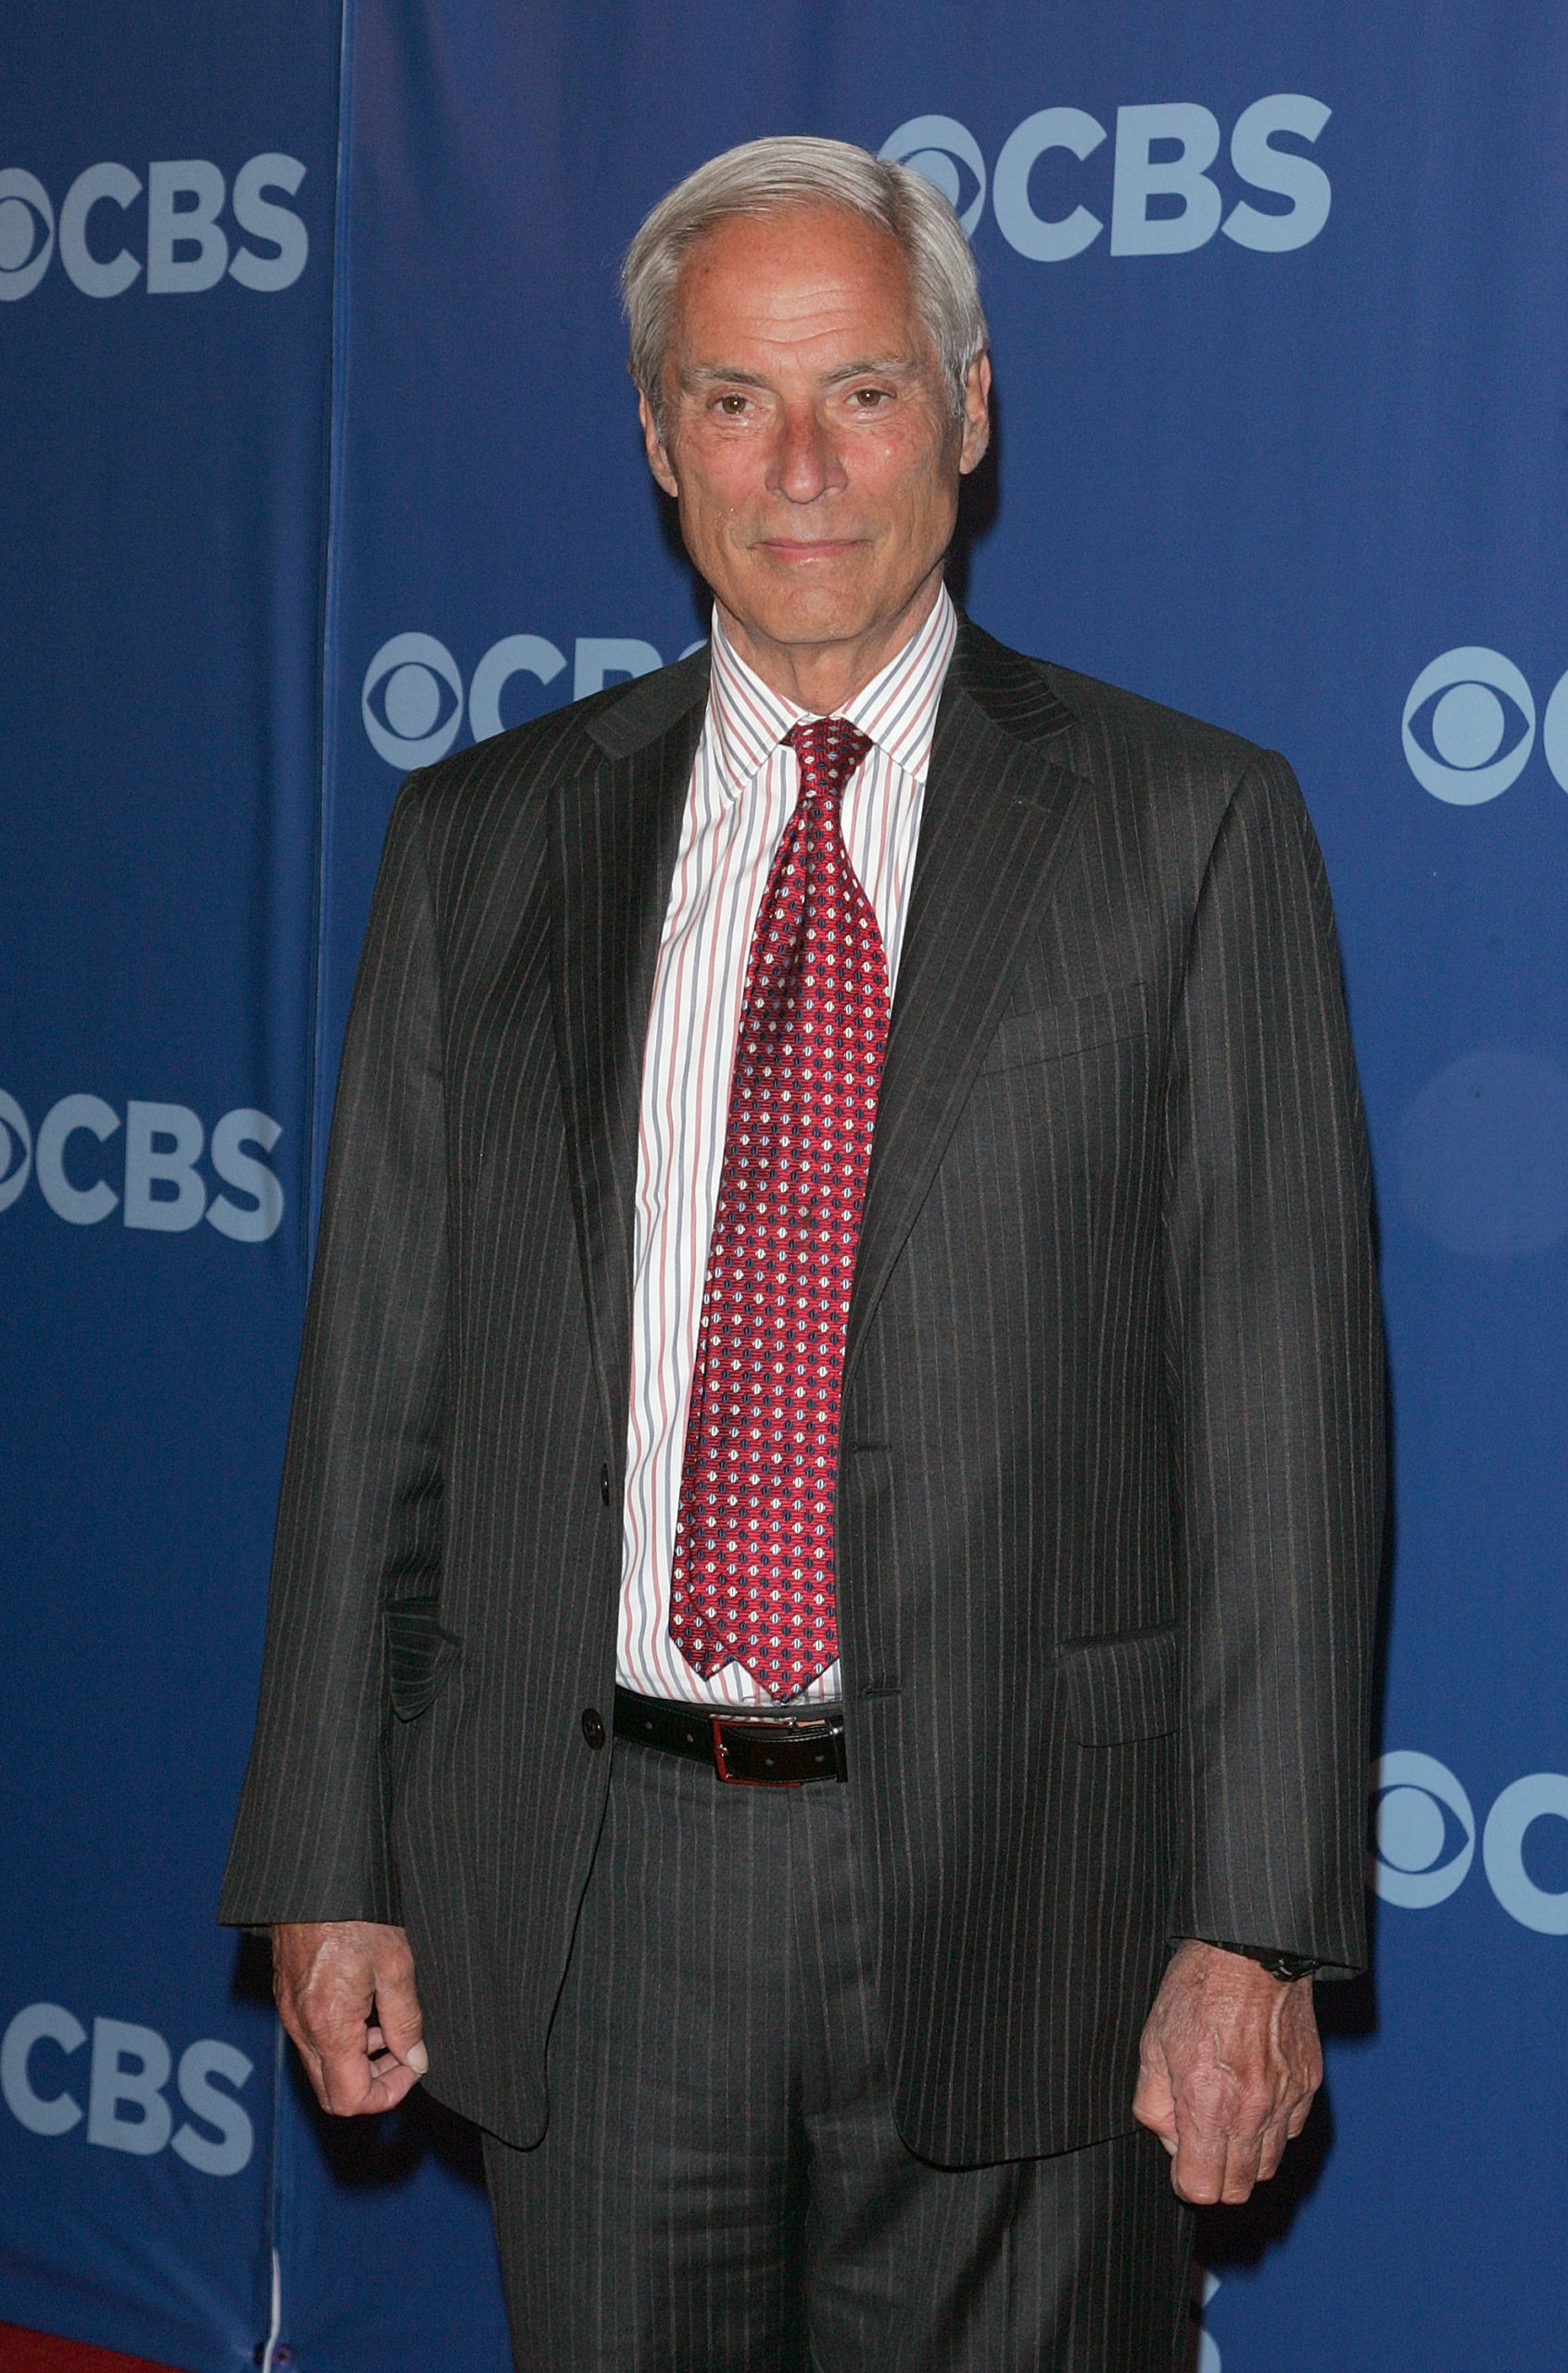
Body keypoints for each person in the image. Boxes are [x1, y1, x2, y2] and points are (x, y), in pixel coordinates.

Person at [221, 135, 1384, 2370]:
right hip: (596, 1890)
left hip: (1038, 1897)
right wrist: (328, 1846)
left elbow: (1283, 1426)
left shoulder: (1187, 828)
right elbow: (378, 1385)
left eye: (860, 388)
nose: (803, 466)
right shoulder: (482, 844)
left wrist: (1258, 1928)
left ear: (969, 405)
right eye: (736, 400)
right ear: (660, 440)